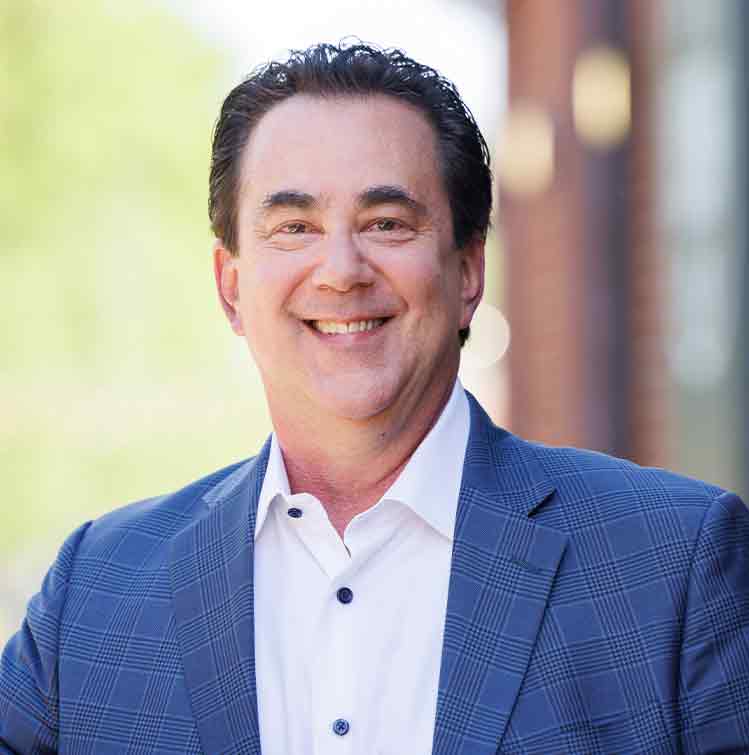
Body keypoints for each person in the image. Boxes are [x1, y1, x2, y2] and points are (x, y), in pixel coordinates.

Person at [1, 41, 748, 755]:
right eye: (295, 226)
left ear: (467, 272)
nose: (341, 270)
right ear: (231, 287)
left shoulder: (674, 566)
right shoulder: (94, 592)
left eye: (386, 224)